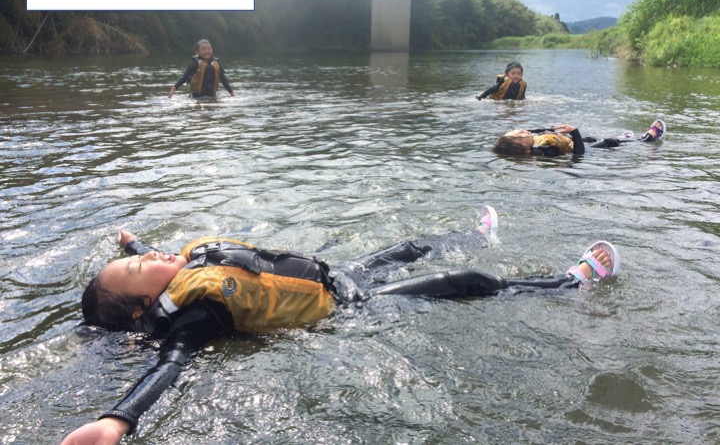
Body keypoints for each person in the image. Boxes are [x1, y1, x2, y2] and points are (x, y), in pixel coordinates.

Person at [61, 206, 619, 445]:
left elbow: (145, 256)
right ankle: (573, 282)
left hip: (336, 277)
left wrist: (127, 243)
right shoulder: (198, 314)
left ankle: (479, 232)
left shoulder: (168, 276)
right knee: (466, 281)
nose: (154, 253)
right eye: (141, 265)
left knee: (408, 246)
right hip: (350, 309)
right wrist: (118, 420)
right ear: (144, 307)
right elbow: (170, 366)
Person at [493, 119, 667, 157]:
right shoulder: (541, 151)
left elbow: (539, 131)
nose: (524, 131)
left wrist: (552, 129)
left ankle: (621, 139)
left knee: (590, 138)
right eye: (521, 135)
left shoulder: (531, 142)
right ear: (524, 149)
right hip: (587, 153)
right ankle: (647, 139)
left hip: (583, 143)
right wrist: (574, 132)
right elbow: (578, 155)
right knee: (606, 143)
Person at [168, 39, 236, 99]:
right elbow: (184, 78)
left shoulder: (216, 63)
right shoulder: (195, 64)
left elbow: (224, 80)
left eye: (209, 48)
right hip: (197, 97)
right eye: (203, 49)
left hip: (213, 97)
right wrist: (174, 88)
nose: (207, 51)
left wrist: (232, 93)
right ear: (198, 52)